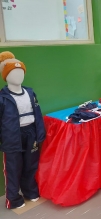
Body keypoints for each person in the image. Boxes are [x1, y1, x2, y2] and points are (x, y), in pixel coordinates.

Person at [0, 51, 46, 209]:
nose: (18, 75)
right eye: (13, 72)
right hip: (12, 136)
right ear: (6, 76)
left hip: (30, 133)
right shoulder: (2, 98)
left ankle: (30, 192)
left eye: (21, 72)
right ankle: (13, 199)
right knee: (13, 168)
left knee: (30, 165)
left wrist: (40, 133)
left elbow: (37, 114)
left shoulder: (30, 93)